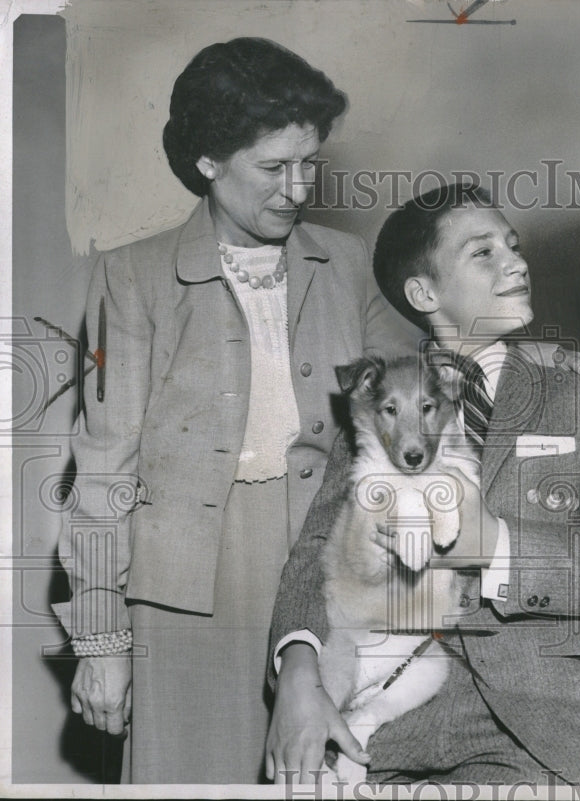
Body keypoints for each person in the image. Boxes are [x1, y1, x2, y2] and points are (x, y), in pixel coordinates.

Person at [52, 37, 419, 783]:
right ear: (209, 162)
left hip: (331, 572)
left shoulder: (347, 265)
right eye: (274, 167)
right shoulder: (134, 277)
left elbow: (429, 382)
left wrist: (555, 369)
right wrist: (101, 642)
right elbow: (101, 472)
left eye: (309, 162)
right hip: (187, 599)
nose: (297, 188)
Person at [265, 183, 580, 785]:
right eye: (483, 253)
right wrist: (297, 671)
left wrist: (498, 548)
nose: (517, 262)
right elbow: (312, 559)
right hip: (381, 714)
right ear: (424, 293)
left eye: (514, 245)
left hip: (542, 726)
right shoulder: (383, 407)